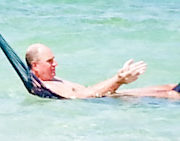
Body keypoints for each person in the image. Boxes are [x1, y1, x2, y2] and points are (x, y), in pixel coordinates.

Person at [25, 43, 179, 99]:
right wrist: (119, 79)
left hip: (110, 95)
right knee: (172, 94)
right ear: (35, 66)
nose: (56, 64)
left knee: (170, 86)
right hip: (105, 100)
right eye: (50, 61)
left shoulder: (52, 81)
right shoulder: (47, 87)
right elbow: (85, 96)